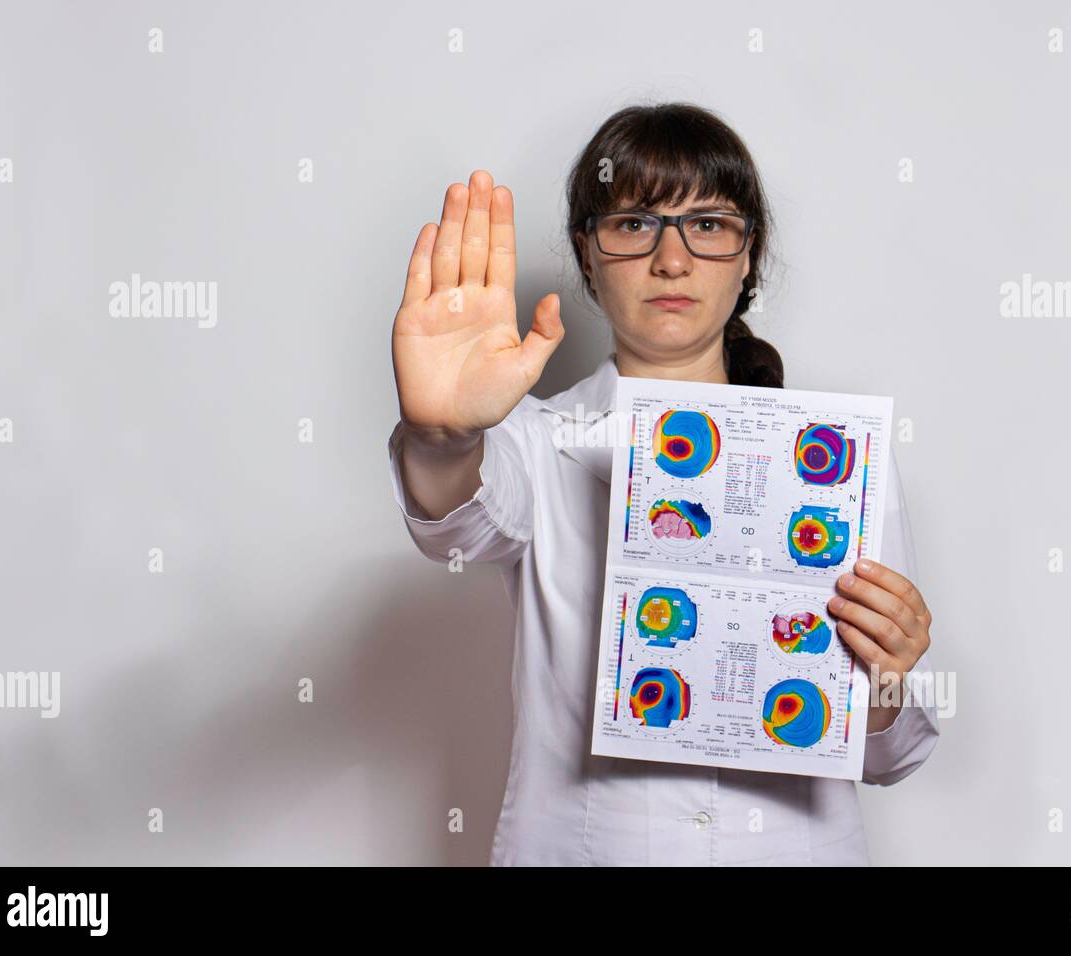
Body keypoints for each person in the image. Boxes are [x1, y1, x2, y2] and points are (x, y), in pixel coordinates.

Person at [387, 103, 939, 865]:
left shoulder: (837, 469)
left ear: (749, 256)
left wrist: (885, 679)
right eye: (635, 225)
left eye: (708, 225)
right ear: (587, 254)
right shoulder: (539, 443)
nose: (672, 261)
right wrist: (442, 436)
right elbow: (457, 518)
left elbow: (890, 756)